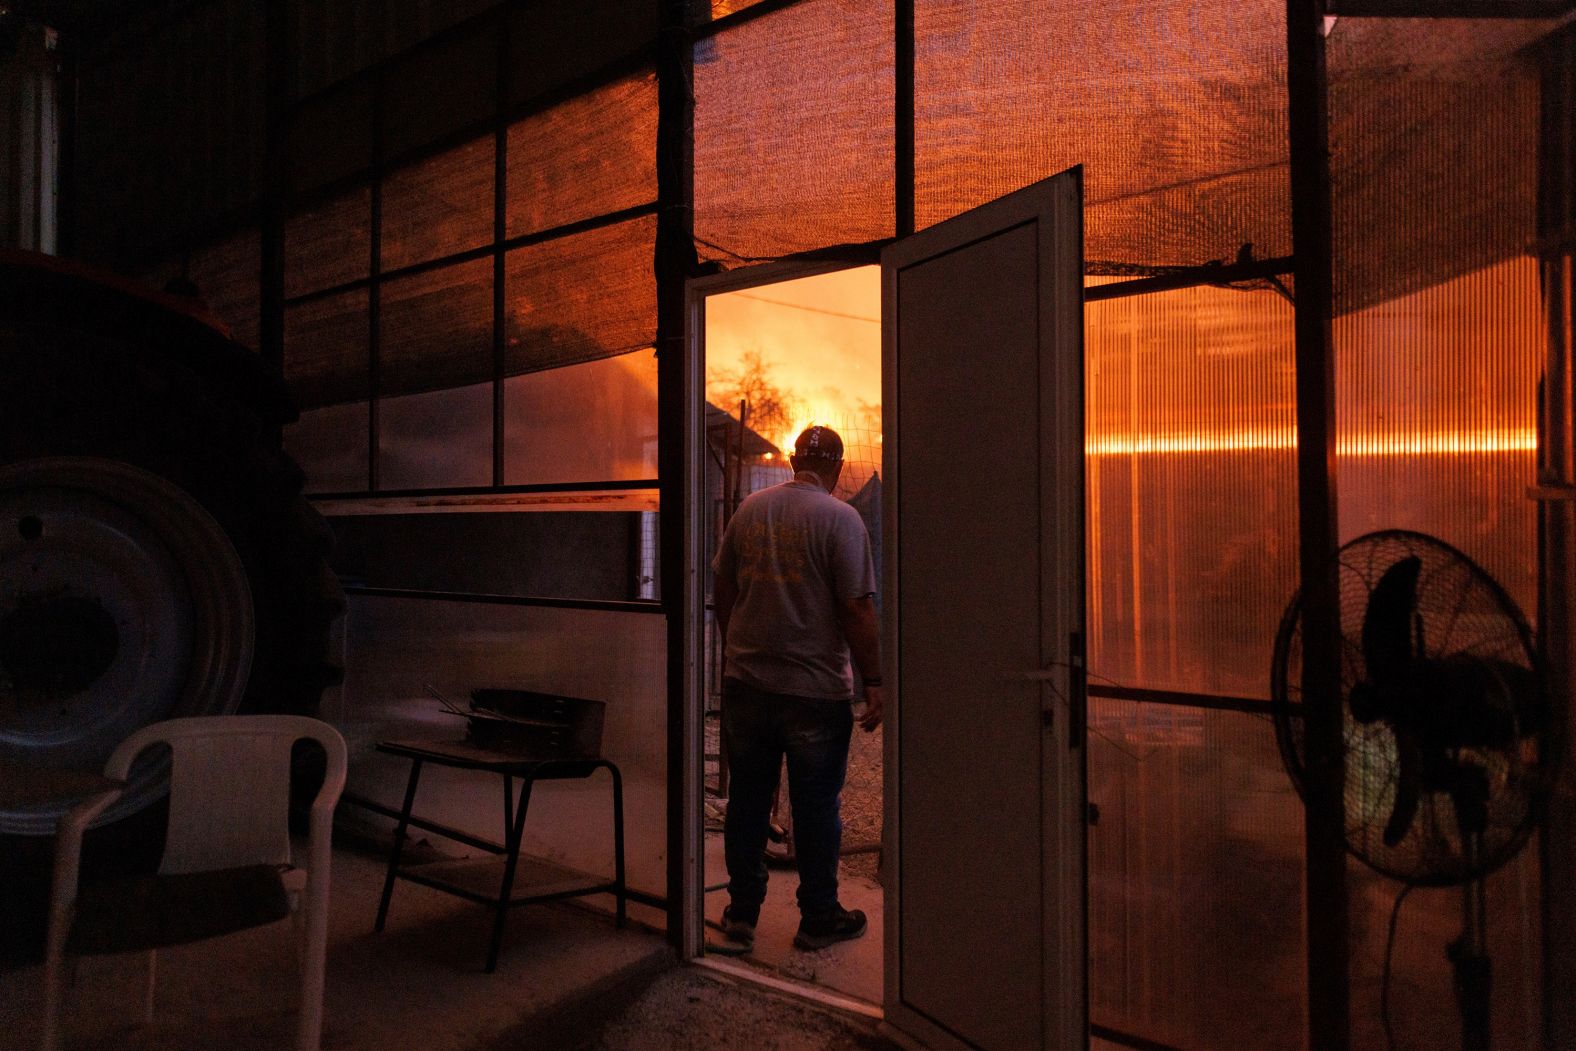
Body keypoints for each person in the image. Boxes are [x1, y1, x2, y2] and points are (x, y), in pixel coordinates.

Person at [711, 424, 885, 951]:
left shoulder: (750, 511)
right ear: (835, 469)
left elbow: (723, 585)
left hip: (748, 685)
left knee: (747, 800)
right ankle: (818, 918)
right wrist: (875, 680)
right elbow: (856, 608)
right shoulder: (841, 520)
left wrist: (735, 647)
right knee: (815, 807)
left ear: (792, 460)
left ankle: (741, 916)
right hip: (814, 691)